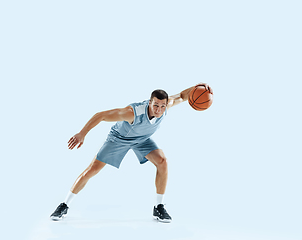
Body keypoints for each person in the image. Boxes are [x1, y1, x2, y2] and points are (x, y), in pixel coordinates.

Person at [50, 83, 212, 223]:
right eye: (155, 105)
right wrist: (82, 133)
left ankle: (158, 206)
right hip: (118, 139)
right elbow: (101, 115)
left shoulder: (165, 106)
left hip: (142, 139)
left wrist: (201, 86)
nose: (159, 109)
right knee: (92, 170)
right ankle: (64, 205)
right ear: (150, 102)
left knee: (163, 161)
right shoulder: (132, 112)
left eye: (162, 106)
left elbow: (184, 96)